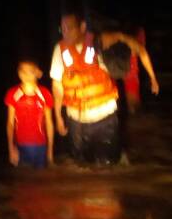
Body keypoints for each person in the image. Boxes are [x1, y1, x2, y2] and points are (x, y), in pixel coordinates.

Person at [50, 13, 122, 165]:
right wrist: (58, 116)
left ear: (82, 27)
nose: (65, 32)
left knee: (107, 166)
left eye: (69, 28)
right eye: (62, 29)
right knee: (79, 165)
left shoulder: (98, 43)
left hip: (105, 117)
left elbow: (119, 68)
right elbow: (57, 85)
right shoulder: (60, 49)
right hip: (76, 120)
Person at [99, 26, 160, 114]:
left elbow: (142, 52)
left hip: (126, 53)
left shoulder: (130, 43)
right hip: (107, 60)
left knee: (133, 106)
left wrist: (153, 78)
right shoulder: (102, 40)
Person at [5, 61, 54, 169]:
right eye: (23, 71)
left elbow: (49, 123)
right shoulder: (13, 93)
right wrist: (11, 149)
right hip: (20, 145)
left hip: (41, 146)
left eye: (30, 72)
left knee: (41, 180)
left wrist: (50, 150)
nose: (26, 75)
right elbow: (10, 123)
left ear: (38, 73)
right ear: (18, 73)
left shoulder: (45, 94)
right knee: (22, 180)